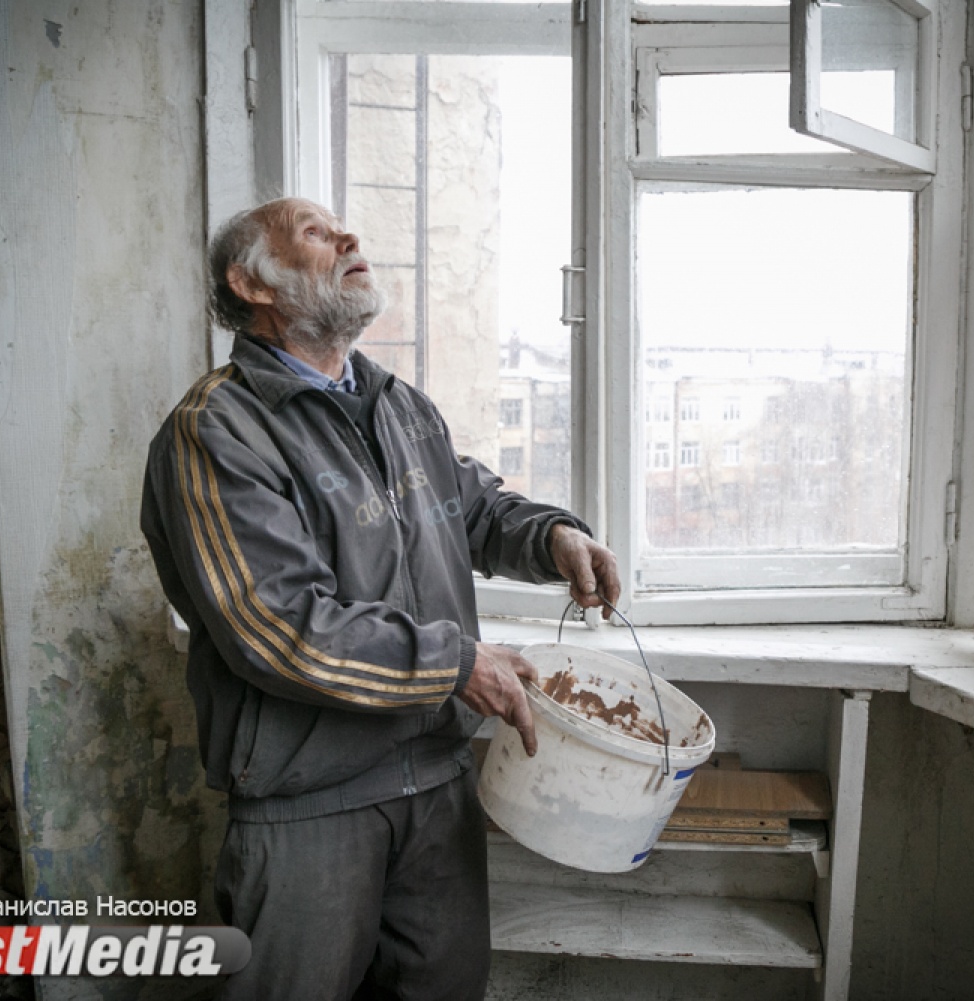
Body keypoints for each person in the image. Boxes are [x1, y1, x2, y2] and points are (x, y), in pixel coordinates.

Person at [140, 197, 620, 1000]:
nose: (350, 238)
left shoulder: (397, 405)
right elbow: (275, 623)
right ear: (250, 283)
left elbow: (470, 506)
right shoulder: (216, 430)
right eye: (316, 234)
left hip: (435, 781)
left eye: (343, 229)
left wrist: (553, 537)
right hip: (309, 801)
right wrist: (456, 663)